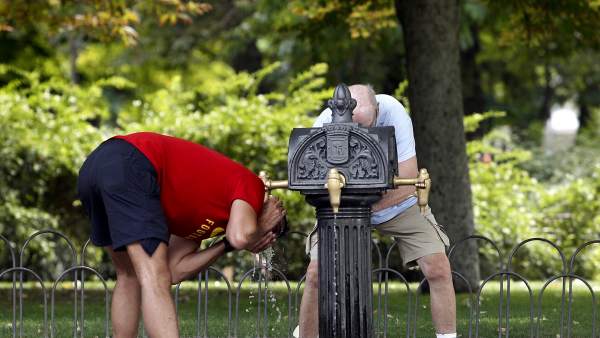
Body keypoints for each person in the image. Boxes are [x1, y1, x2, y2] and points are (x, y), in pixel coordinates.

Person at [77, 132, 285, 338]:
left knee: (129, 274)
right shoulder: (252, 185)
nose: (264, 242)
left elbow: (174, 271)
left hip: (96, 168)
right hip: (132, 161)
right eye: (269, 232)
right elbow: (241, 236)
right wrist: (255, 232)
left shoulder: (206, 220)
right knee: (153, 277)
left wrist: (225, 245)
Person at [297, 85, 457, 338]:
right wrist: (349, 210)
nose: (360, 131)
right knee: (316, 273)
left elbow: (408, 178)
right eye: (353, 124)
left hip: (396, 204)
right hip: (340, 211)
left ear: (377, 110)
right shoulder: (324, 122)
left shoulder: (393, 111)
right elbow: (312, 184)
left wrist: (362, 209)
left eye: (365, 124)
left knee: (438, 267)